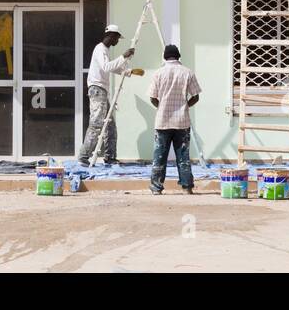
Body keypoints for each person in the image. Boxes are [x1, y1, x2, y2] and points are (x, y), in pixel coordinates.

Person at [147, 44, 202, 195]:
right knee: (183, 156)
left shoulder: (158, 73)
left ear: (165, 57)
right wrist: (185, 106)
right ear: (178, 56)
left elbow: (152, 97)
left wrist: (161, 107)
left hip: (162, 121)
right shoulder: (187, 72)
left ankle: (156, 188)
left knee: (159, 156)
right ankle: (187, 187)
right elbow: (196, 96)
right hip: (182, 122)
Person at [78, 24, 135, 165]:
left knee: (110, 126)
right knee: (97, 123)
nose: (117, 41)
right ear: (112, 35)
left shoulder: (105, 50)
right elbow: (106, 67)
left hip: (101, 90)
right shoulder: (100, 49)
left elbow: (108, 68)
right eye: (117, 38)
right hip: (97, 89)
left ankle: (110, 157)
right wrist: (123, 56)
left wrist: (126, 71)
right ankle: (84, 156)